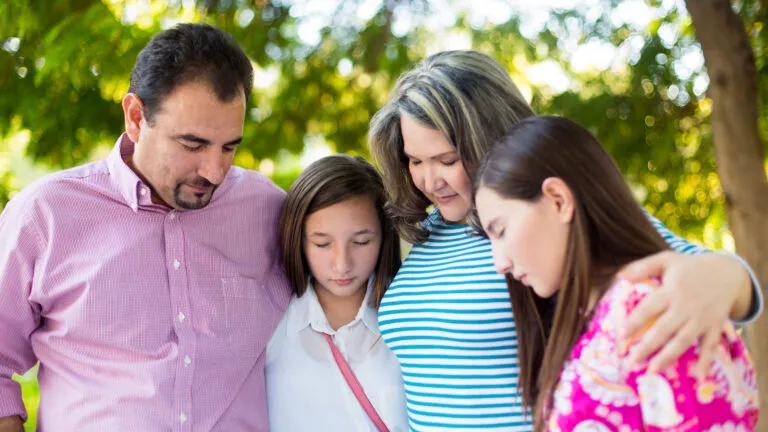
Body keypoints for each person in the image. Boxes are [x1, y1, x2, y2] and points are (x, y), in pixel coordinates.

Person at [367, 50, 762, 431]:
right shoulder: (428, 235)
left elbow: (705, 274)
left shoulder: (542, 216)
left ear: (485, 139)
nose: (429, 180)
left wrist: (725, 277)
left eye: (447, 160)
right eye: (415, 161)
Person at [0, 24, 291, 431]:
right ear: (136, 117)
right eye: (193, 145)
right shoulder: (44, 215)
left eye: (229, 147)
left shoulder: (269, 210)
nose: (214, 171)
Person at [474, 115, 759, 431]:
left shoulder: (648, 308)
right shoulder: (597, 315)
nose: (499, 263)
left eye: (500, 230)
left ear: (558, 200)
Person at [266, 155, 407, 431]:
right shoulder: (270, 323)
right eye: (322, 244)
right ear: (298, 239)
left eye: (361, 241)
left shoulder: (409, 319)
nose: (342, 264)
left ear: (384, 236)